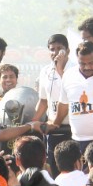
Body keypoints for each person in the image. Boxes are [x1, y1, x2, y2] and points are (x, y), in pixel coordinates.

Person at [31, 34, 72, 172]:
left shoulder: (76, 69)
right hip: (53, 131)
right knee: (55, 169)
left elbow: (67, 99)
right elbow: (43, 101)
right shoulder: (45, 71)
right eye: (52, 49)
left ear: (68, 51)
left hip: (71, 129)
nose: (55, 53)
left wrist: (60, 68)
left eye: (59, 48)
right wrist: (33, 122)